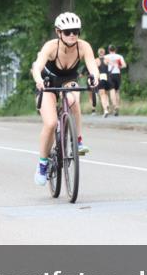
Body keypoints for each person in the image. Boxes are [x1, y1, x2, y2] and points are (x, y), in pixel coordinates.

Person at [31, 12, 101, 186]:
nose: (72, 35)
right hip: (47, 83)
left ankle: (78, 141)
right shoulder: (51, 47)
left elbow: (93, 66)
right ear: (58, 32)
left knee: (73, 101)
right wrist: (39, 81)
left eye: (76, 31)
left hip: (69, 80)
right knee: (50, 123)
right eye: (68, 31)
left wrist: (95, 78)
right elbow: (37, 66)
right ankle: (42, 163)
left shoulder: (83, 46)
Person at [103, 45, 127, 116]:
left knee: (111, 91)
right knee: (117, 91)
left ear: (108, 50)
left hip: (109, 74)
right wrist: (118, 66)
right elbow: (124, 65)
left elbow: (103, 65)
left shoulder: (106, 57)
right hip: (117, 74)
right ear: (115, 50)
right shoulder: (119, 56)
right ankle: (117, 107)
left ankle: (112, 106)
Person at [95, 47, 112, 117]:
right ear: (104, 53)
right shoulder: (107, 60)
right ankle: (107, 104)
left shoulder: (96, 60)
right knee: (106, 93)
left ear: (98, 53)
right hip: (107, 77)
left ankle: (105, 110)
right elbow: (112, 67)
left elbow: (94, 70)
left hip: (100, 77)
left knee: (102, 94)